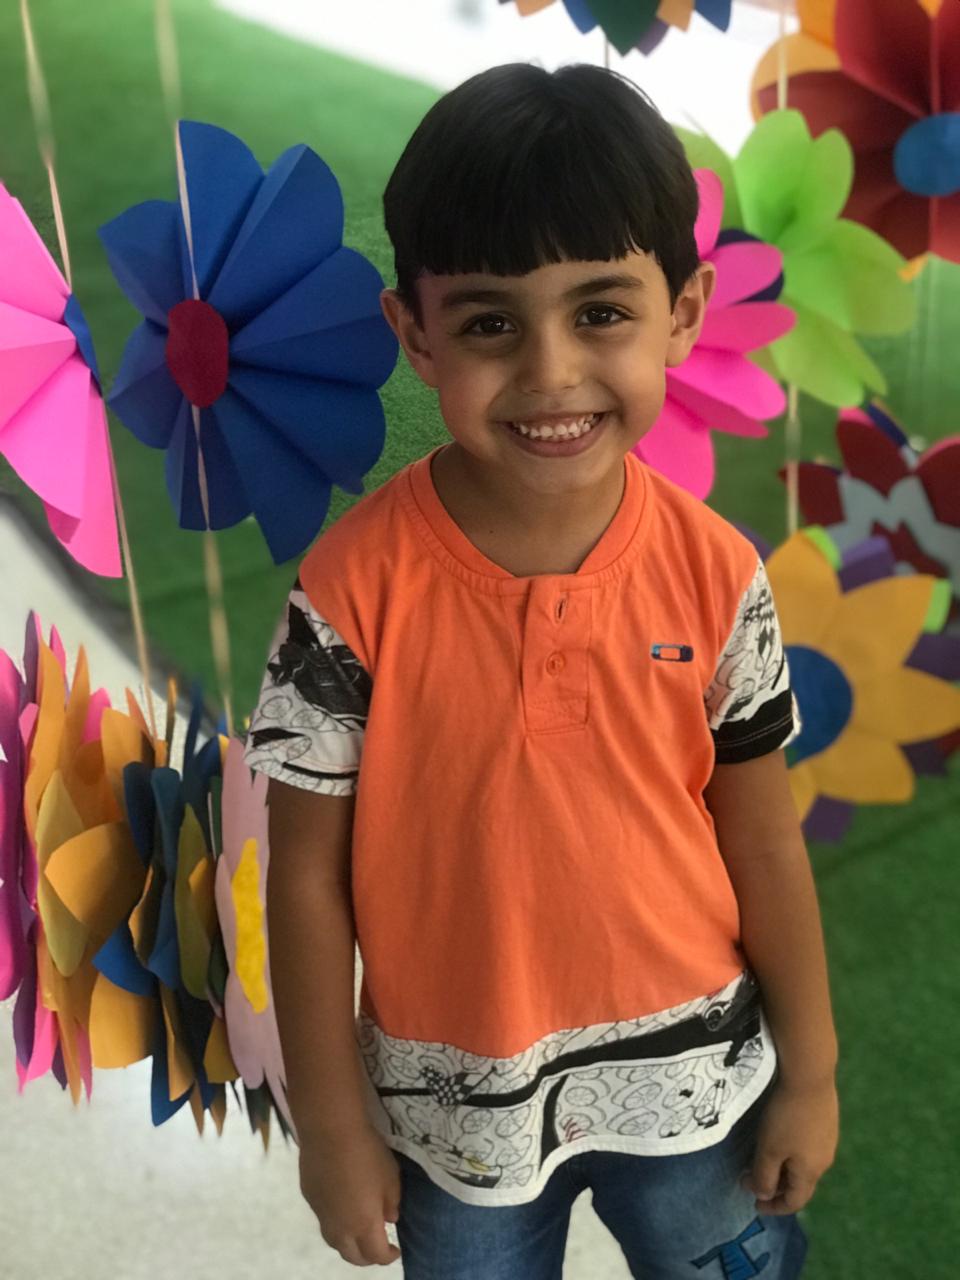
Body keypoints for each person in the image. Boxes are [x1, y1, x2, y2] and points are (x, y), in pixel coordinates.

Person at [244, 62, 840, 1279]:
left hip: (697, 1088)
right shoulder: (349, 590)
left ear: (684, 309)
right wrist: (333, 1125)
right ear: (414, 331)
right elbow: (302, 874)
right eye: (490, 322)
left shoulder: (717, 571)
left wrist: (813, 1070)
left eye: (601, 311)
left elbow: (763, 835)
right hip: (452, 1118)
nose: (552, 371)